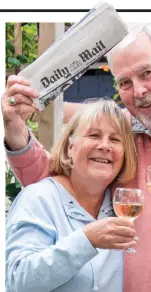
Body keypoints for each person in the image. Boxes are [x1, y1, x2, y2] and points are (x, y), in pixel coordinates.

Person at [2, 23, 151, 292]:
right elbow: (66, 182)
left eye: (147, 73)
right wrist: (17, 134)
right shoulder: (120, 131)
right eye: (125, 82)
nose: (139, 91)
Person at [5, 99, 138, 292]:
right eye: (94, 135)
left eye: (115, 140)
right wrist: (86, 240)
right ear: (70, 148)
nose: (104, 146)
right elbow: (18, 280)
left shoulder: (123, 207)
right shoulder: (39, 198)